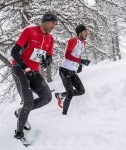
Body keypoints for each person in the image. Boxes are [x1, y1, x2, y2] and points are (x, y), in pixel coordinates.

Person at [11, 11, 58, 139]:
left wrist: (48, 60)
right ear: (46, 20)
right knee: (29, 101)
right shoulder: (30, 31)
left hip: (34, 71)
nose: (54, 26)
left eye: (56, 24)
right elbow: (14, 51)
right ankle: (19, 132)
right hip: (19, 68)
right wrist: (25, 67)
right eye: (53, 23)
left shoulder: (50, 38)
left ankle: (21, 112)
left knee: (47, 97)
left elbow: (49, 56)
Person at [55, 24, 90, 115]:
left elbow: (78, 54)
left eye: (87, 32)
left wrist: (80, 65)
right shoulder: (73, 40)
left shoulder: (83, 43)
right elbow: (67, 55)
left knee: (81, 91)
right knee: (70, 93)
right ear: (80, 33)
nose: (87, 33)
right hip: (64, 69)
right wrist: (81, 60)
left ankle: (60, 95)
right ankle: (64, 114)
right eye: (85, 31)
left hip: (72, 70)